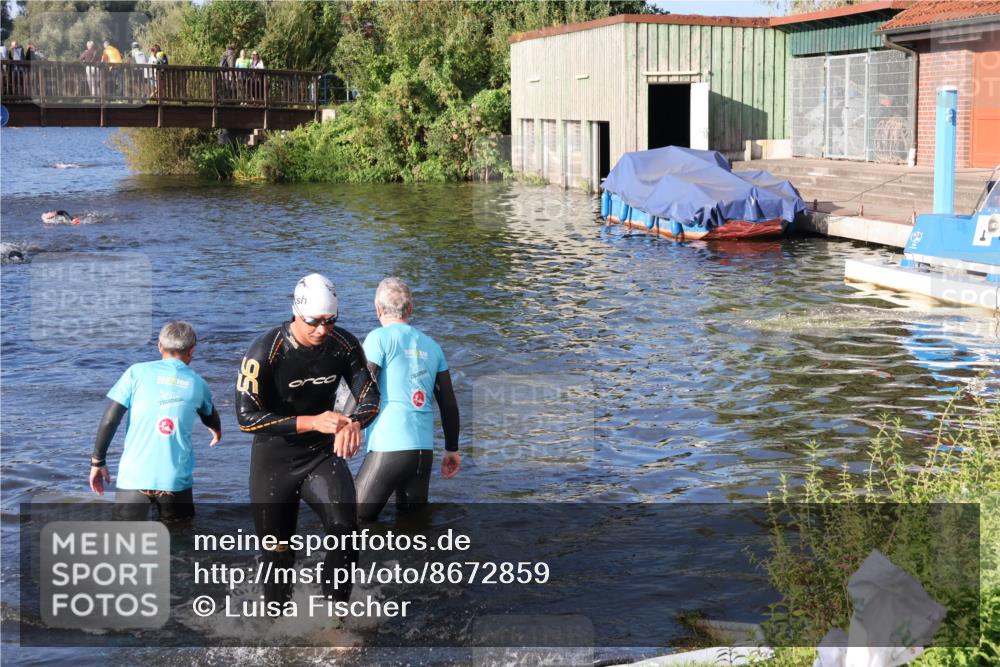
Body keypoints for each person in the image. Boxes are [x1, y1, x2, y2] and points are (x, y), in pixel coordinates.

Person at [236, 273, 380, 605]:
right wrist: (313, 421)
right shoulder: (265, 350)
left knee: (345, 530)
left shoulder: (343, 345)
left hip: (320, 455)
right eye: (314, 321)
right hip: (274, 462)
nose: (322, 330)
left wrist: (354, 423)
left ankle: (334, 620)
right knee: (278, 553)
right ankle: (276, 625)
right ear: (296, 314)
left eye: (330, 321)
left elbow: (372, 397)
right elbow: (246, 418)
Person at [90, 321, 221, 522]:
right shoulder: (198, 383)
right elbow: (209, 414)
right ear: (192, 350)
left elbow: (110, 420)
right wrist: (215, 429)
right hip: (175, 481)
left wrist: (98, 461)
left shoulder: (136, 373)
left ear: (160, 346)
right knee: (179, 544)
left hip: (133, 478)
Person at [355, 277, 460, 522]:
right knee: (413, 527)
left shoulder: (378, 338)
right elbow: (448, 404)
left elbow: (362, 389)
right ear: (410, 309)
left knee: (352, 519)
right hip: (423, 451)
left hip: (389, 447)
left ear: (377, 309)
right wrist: (452, 449)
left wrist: (343, 427)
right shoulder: (433, 346)